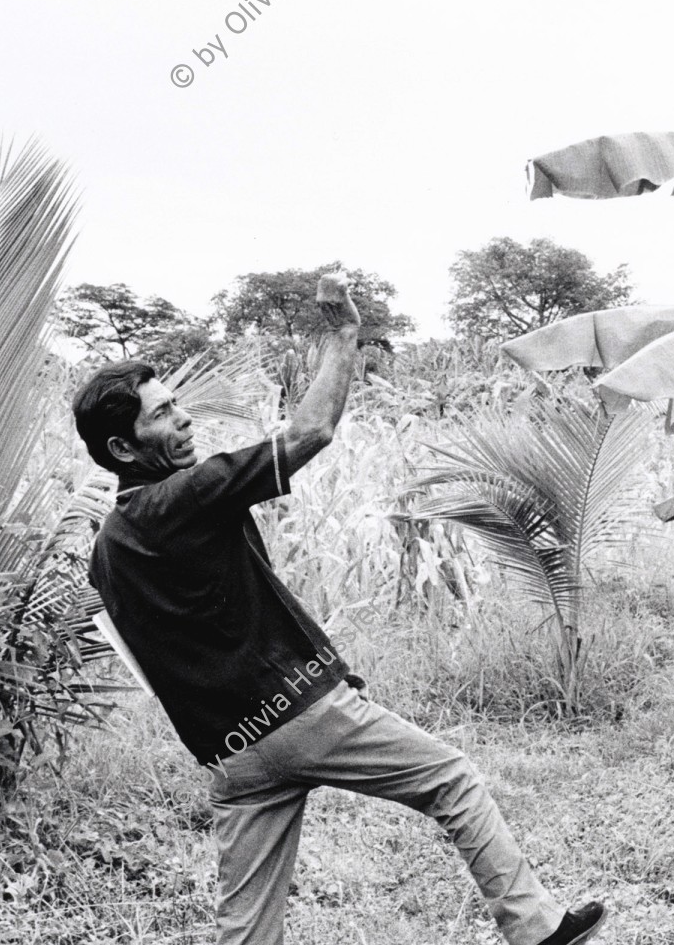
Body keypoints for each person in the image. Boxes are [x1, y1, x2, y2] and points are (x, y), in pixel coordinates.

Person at [76, 273, 605, 945]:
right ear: (123, 449)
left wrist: (222, 742)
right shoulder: (180, 496)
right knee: (452, 780)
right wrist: (344, 334)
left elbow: (156, 662)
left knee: (246, 933)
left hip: (235, 757)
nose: (183, 419)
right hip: (301, 716)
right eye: (161, 415)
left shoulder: (109, 546)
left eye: (176, 404)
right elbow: (310, 431)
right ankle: (537, 928)